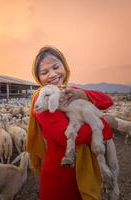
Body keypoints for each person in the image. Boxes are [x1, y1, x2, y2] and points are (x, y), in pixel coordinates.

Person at [27, 46, 115, 200]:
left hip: (81, 171)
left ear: (65, 67)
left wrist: (82, 94)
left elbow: (107, 101)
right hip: (61, 176)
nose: (53, 74)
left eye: (56, 67)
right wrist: (106, 123)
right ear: (38, 77)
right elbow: (67, 137)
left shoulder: (70, 91)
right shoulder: (43, 99)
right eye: (44, 72)